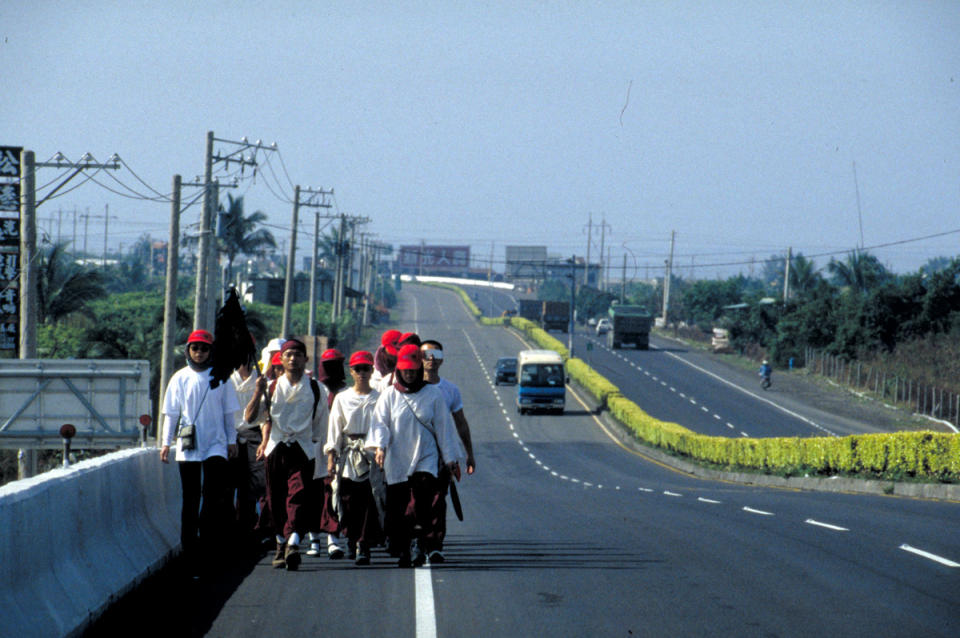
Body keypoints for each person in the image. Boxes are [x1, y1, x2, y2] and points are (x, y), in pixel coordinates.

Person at [368, 344, 466, 567]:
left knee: (419, 503)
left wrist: (451, 459)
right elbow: (380, 424)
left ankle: (417, 543)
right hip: (397, 459)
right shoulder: (389, 396)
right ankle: (404, 549)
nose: (410, 374)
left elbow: (444, 428)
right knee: (398, 507)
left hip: (426, 457)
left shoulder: (433, 395)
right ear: (399, 371)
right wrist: (380, 448)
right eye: (406, 370)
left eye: (414, 370)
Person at [160, 329, 240, 578]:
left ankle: (209, 546)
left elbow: (229, 414)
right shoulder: (179, 378)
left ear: (210, 351)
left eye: (204, 348)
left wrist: (231, 440)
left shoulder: (223, 379)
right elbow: (171, 414)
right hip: (188, 443)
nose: (199, 352)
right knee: (191, 498)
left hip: (216, 444)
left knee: (213, 496)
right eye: (195, 348)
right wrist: (165, 443)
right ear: (188, 351)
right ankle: (189, 550)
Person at [246, 339, 329, 571]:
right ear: (280, 360)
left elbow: (323, 424)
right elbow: (250, 418)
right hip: (276, 448)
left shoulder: (316, 388)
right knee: (275, 499)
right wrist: (257, 391)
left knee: (299, 496)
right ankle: (281, 542)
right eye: (288, 354)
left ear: (306, 359)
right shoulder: (270, 387)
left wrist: (324, 453)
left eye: (298, 354)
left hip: (303, 449)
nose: (293, 358)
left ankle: (293, 542)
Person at [324, 350, 384, 565]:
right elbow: (335, 428)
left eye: (366, 369)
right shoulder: (342, 398)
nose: (362, 373)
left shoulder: (380, 398)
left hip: (370, 455)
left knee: (369, 500)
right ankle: (351, 537)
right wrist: (331, 456)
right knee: (347, 500)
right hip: (349, 455)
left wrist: (381, 450)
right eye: (357, 369)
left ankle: (363, 545)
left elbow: (384, 426)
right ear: (351, 372)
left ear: (372, 370)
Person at [420, 339, 476, 564]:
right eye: (426, 354)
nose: (431, 358)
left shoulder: (450, 390)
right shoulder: (408, 388)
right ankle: (417, 541)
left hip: (443, 455)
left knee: (438, 500)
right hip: (415, 455)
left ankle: (435, 545)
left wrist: (469, 454)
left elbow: (461, 423)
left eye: (436, 353)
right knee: (417, 500)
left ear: (442, 358)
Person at [309, 348, 349, 559]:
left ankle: (333, 538)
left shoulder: (346, 393)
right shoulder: (315, 388)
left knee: (334, 495)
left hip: (338, 450)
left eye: (337, 363)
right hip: (315, 448)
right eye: (329, 364)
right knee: (314, 495)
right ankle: (314, 538)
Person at [229, 356, 267, 550]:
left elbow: (265, 415)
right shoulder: (227, 379)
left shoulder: (259, 379)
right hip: (230, 437)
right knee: (229, 488)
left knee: (251, 487)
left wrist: (264, 441)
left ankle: (248, 532)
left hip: (253, 436)